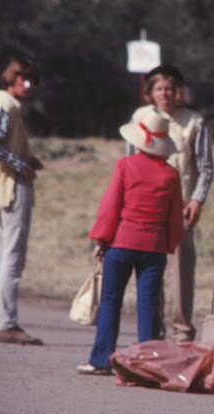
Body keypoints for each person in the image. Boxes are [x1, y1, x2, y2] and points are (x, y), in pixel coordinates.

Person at [77, 109, 184, 375]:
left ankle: (101, 360)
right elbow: (175, 218)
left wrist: (101, 239)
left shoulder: (125, 165)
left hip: (122, 242)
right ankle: (147, 366)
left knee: (111, 301)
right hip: (155, 246)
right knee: (148, 305)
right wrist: (168, 245)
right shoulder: (171, 175)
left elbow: (111, 206)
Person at [126, 64, 214, 342]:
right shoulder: (140, 117)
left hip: (181, 204)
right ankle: (153, 331)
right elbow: (129, 163)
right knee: (150, 269)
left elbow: (206, 167)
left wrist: (197, 200)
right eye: (159, 88)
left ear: (178, 92)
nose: (165, 93)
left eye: (170, 88)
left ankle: (183, 330)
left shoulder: (194, 122)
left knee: (181, 271)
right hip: (146, 205)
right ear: (150, 93)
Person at [0, 57, 44, 345]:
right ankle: (6, 323)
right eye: (22, 79)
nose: (27, 86)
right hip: (11, 186)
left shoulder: (6, 105)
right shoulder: (4, 105)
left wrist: (27, 160)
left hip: (4, 185)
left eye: (31, 81)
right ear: (11, 78)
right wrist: (19, 165)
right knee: (12, 257)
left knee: (0, 256)